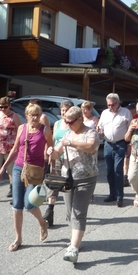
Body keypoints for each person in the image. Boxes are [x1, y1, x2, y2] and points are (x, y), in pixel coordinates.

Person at [0, 103, 54, 252]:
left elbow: (51, 149)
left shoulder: (45, 130)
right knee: (16, 204)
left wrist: (50, 155)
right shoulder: (21, 128)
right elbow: (15, 149)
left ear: (40, 116)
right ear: (26, 115)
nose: (34, 117)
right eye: (31, 114)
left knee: (29, 203)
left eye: (36, 114)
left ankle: (42, 222)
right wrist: (2, 168)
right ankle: (18, 238)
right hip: (18, 168)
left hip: (35, 171)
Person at [48, 106, 100, 263]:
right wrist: (51, 152)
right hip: (69, 178)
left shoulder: (90, 132)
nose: (67, 124)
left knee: (78, 212)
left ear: (80, 119)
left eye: (70, 122)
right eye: (65, 121)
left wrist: (70, 142)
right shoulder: (68, 133)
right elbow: (58, 153)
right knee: (70, 212)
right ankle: (76, 241)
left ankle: (73, 248)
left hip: (87, 178)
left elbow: (91, 147)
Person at [43, 99, 74, 227]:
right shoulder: (57, 123)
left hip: (69, 159)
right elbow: (52, 140)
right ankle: (50, 210)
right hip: (56, 156)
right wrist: (50, 155)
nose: (64, 113)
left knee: (69, 187)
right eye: (62, 110)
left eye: (67, 111)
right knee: (54, 184)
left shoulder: (74, 125)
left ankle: (71, 215)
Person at [97, 93, 132, 207]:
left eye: (112, 105)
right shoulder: (104, 113)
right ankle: (112, 194)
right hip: (108, 144)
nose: (110, 107)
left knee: (118, 170)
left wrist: (129, 144)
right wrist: (99, 132)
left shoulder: (125, 112)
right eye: (108, 105)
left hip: (121, 144)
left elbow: (130, 129)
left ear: (118, 103)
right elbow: (100, 127)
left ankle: (119, 196)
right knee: (109, 171)